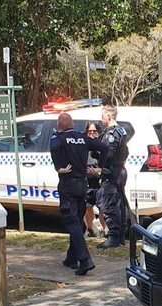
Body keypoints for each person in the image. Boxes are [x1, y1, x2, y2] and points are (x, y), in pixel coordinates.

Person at [50, 112, 107, 275]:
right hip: (83, 184)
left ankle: (85, 260)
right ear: (72, 124)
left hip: (68, 184)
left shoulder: (58, 138)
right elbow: (104, 148)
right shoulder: (83, 138)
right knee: (77, 221)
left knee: (71, 221)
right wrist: (99, 167)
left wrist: (58, 167)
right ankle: (71, 258)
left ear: (59, 125)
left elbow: (54, 149)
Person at [95, 104, 129, 249]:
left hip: (111, 173)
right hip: (119, 171)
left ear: (108, 116)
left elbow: (107, 154)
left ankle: (114, 237)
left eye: (103, 116)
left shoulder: (110, 135)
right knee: (119, 204)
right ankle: (120, 235)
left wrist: (100, 164)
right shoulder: (121, 131)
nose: (101, 120)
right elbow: (125, 152)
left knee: (110, 205)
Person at [83, 121, 107, 238]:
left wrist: (99, 171)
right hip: (87, 182)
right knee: (87, 207)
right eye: (89, 131)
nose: (92, 134)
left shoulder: (103, 145)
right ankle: (90, 229)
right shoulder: (83, 145)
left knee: (102, 208)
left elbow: (108, 164)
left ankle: (103, 230)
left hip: (99, 182)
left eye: (94, 131)